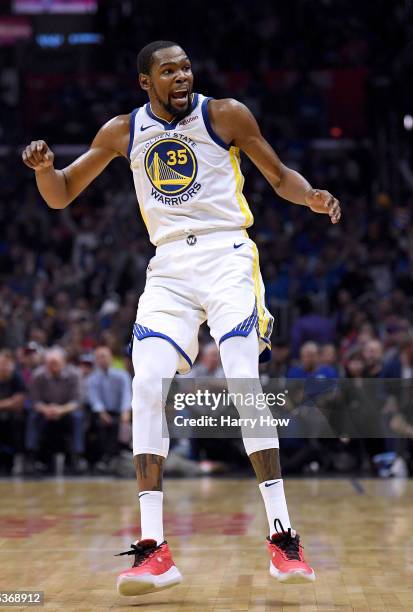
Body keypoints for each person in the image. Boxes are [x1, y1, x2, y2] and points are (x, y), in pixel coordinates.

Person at [22, 40, 341, 593]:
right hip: (168, 264)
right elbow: (62, 194)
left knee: (242, 373)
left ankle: (284, 539)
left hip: (226, 254)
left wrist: (310, 196)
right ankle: (154, 551)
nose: (182, 75)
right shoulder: (122, 130)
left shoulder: (226, 115)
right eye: (168, 70)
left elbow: (279, 174)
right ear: (145, 82)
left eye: (186, 66)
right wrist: (45, 170)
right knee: (146, 384)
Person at [26, 347, 85, 474]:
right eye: (49, 363)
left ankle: (77, 458)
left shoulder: (75, 374)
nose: (52, 366)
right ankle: (31, 457)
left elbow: (77, 401)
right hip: (45, 412)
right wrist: (46, 410)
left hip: (67, 411)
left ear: (64, 362)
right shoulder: (37, 375)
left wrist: (60, 410)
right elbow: (35, 401)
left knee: (78, 417)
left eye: (55, 363)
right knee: (32, 417)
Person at [86, 346, 132, 470]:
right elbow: (94, 399)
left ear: (111, 358)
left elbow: (127, 395)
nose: (102, 360)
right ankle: (104, 458)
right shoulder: (92, 379)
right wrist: (102, 413)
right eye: (99, 357)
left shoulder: (122, 376)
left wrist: (125, 412)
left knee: (120, 424)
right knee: (101, 425)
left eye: (104, 356)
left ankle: (114, 457)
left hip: (120, 412)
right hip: (101, 413)